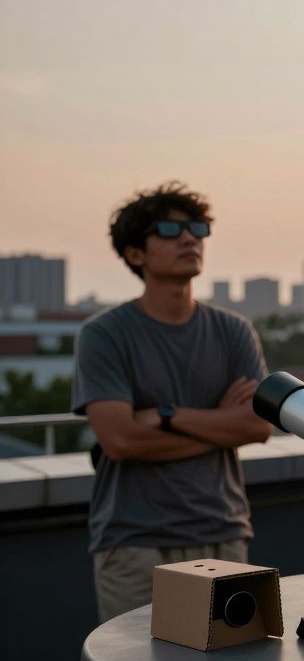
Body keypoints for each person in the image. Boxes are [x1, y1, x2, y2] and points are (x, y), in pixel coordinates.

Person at [71, 182, 272, 622]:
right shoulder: (104, 335)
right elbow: (122, 441)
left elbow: (257, 428)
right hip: (135, 542)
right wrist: (220, 426)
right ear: (134, 254)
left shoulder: (233, 331)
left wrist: (167, 416)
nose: (189, 239)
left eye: (197, 229)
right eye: (169, 231)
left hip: (223, 532)